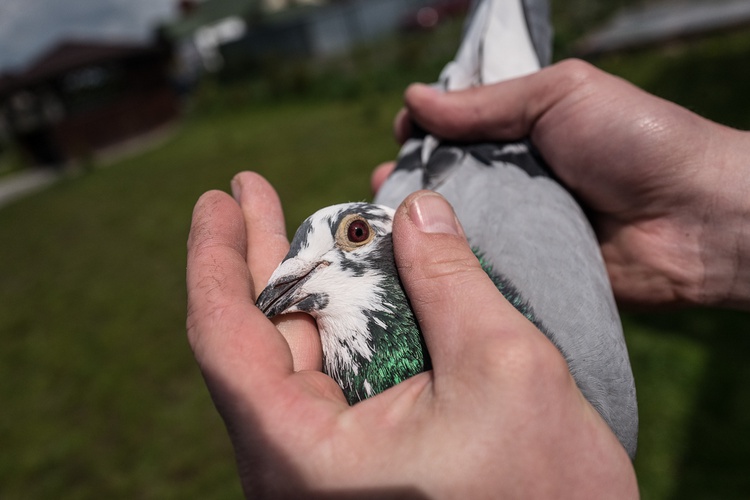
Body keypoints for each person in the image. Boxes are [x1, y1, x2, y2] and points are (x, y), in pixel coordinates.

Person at [186, 59, 749, 498]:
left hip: (498, 155)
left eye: (355, 238)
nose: (286, 279)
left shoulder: (585, 391)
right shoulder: (597, 422)